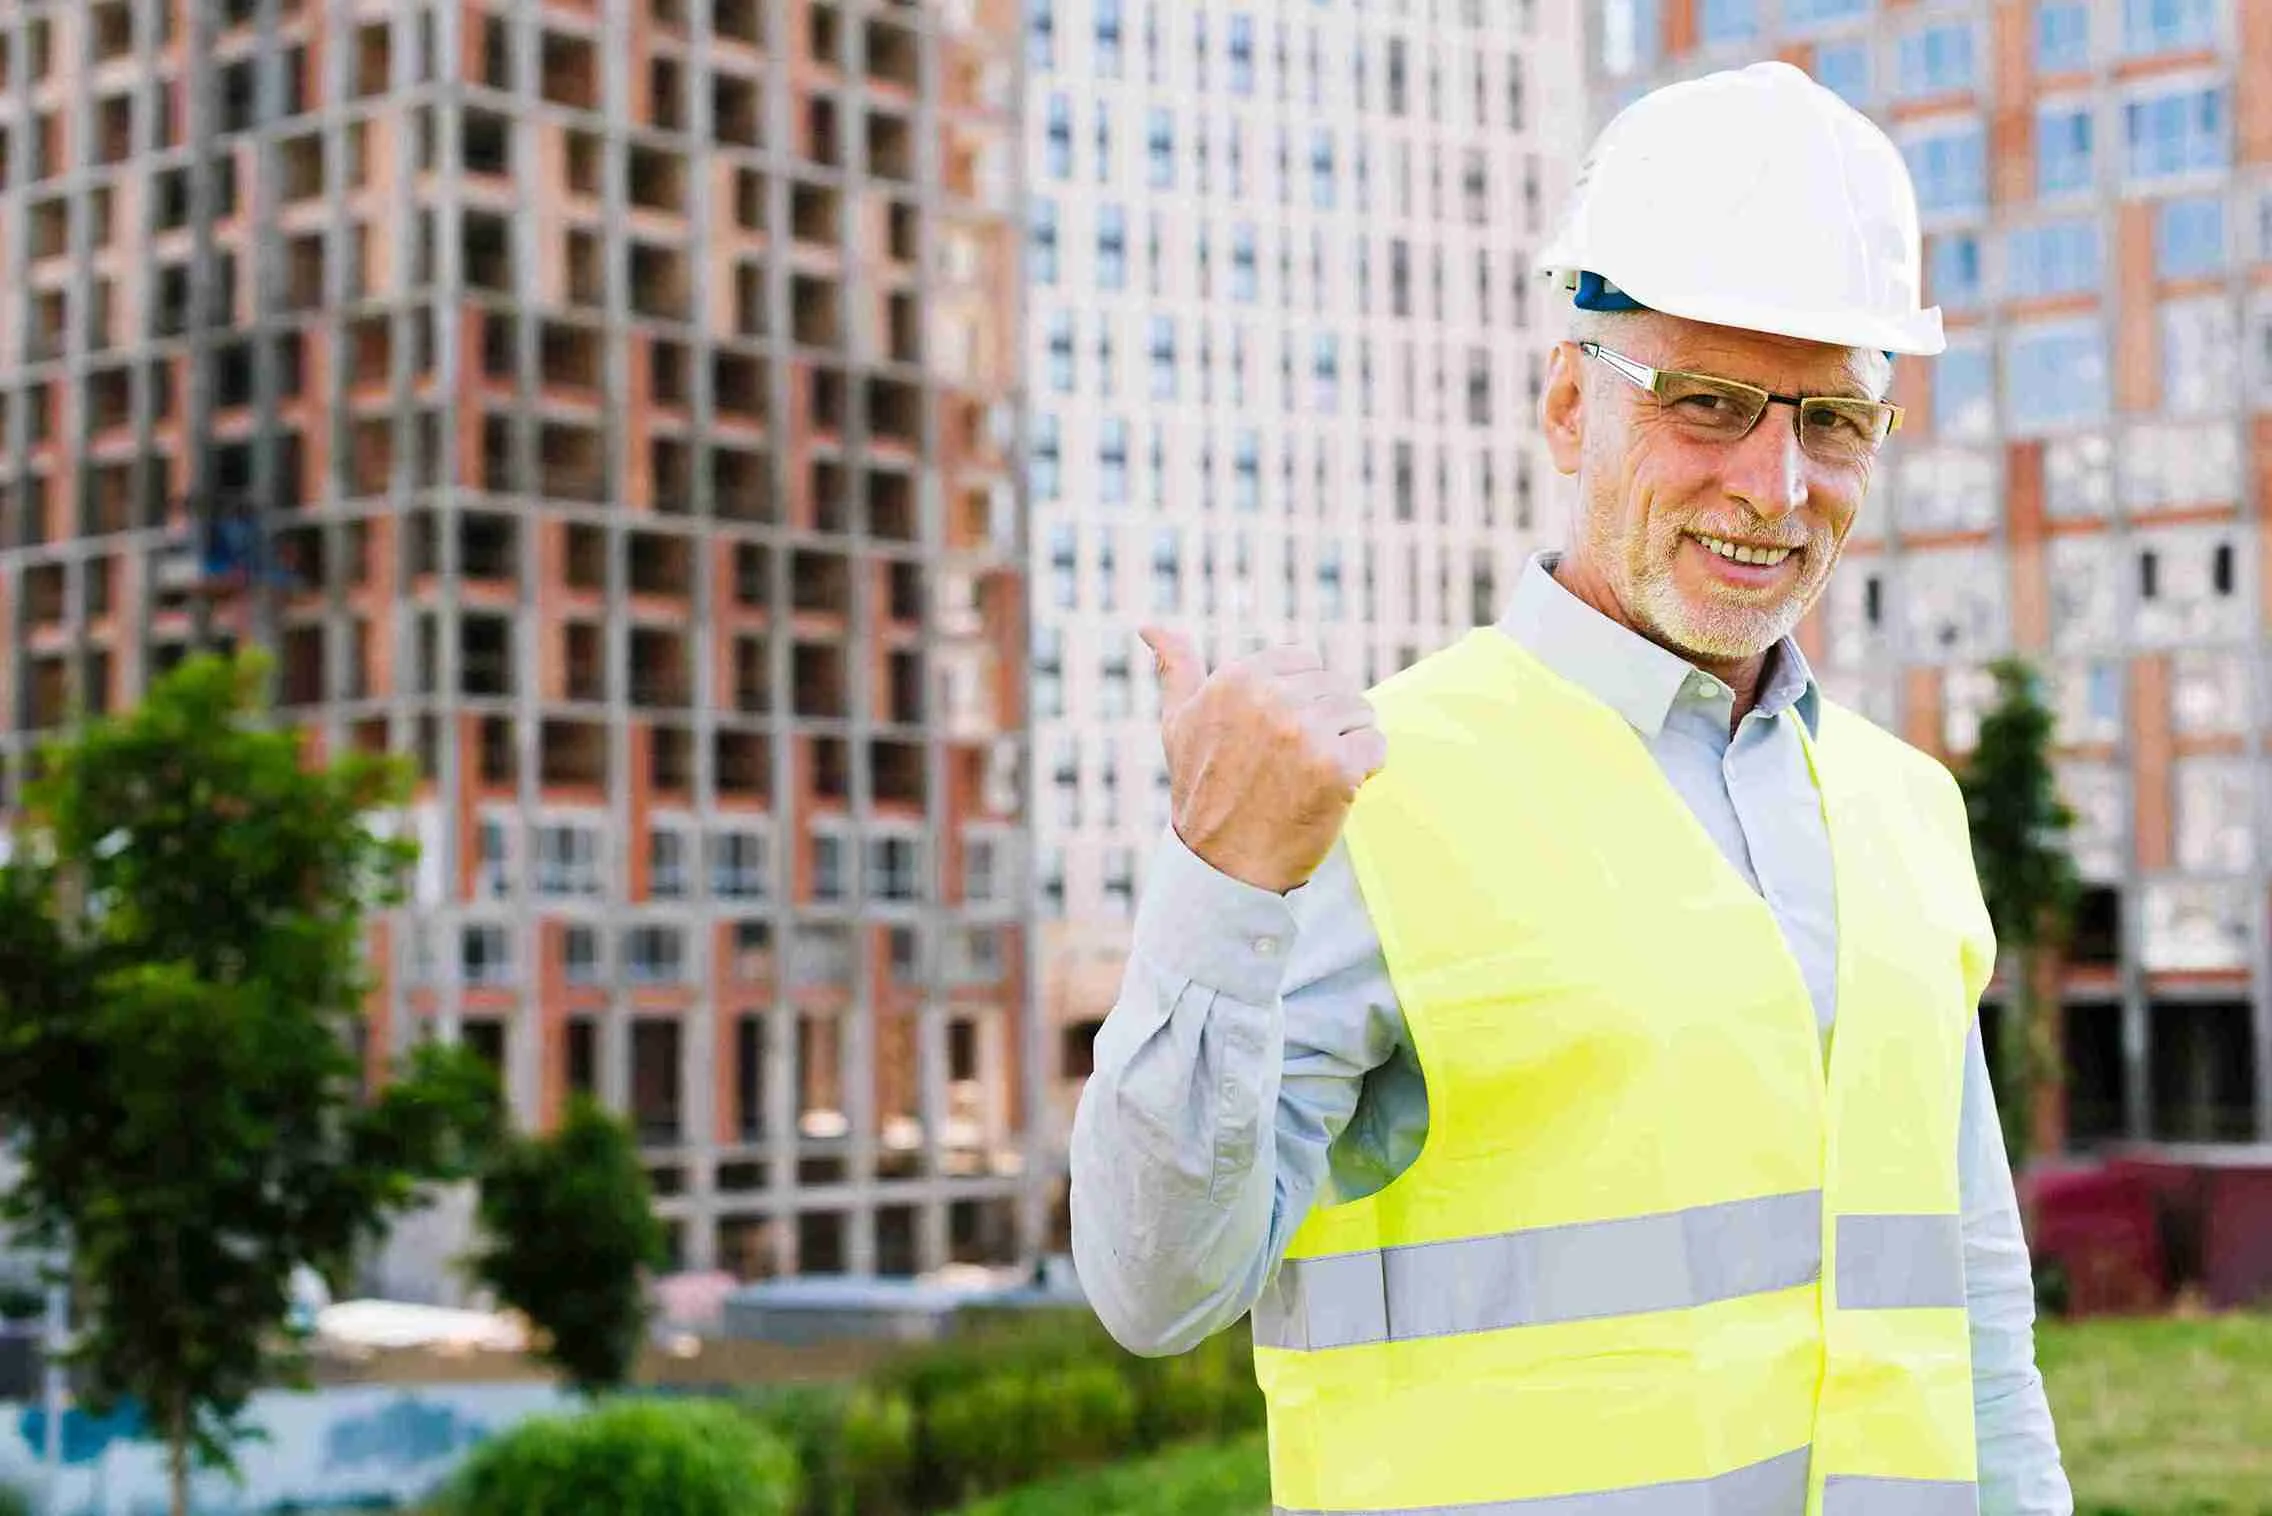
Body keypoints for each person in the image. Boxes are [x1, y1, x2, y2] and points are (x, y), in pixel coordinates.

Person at [1069, 62, 2073, 1516]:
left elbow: (1975, 1322)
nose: (1776, 485)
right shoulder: (1371, 797)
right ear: (1566, 406)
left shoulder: (1907, 809)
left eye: (1833, 421)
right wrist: (1224, 882)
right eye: (1708, 402)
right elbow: (1154, 1287)